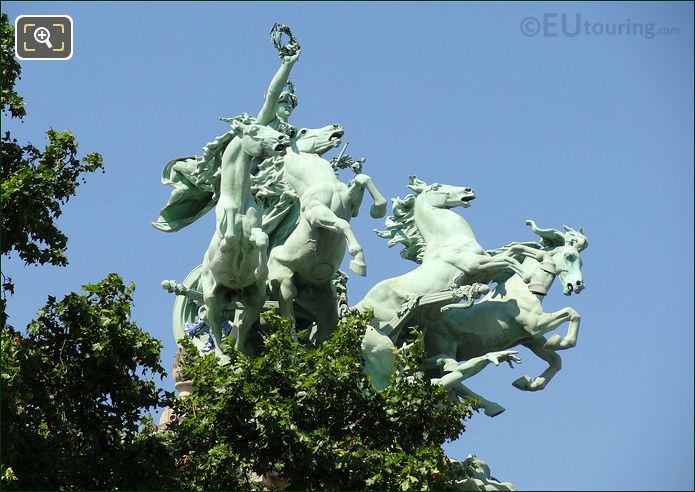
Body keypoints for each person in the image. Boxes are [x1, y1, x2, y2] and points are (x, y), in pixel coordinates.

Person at [152, 51, 300, 233]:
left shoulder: (291, 134)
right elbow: (273, 92)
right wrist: (287, 65)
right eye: (284, 103)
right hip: (247, 174)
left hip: (272, 176)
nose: (288, 107)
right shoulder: (267, 120)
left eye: (291, 105)